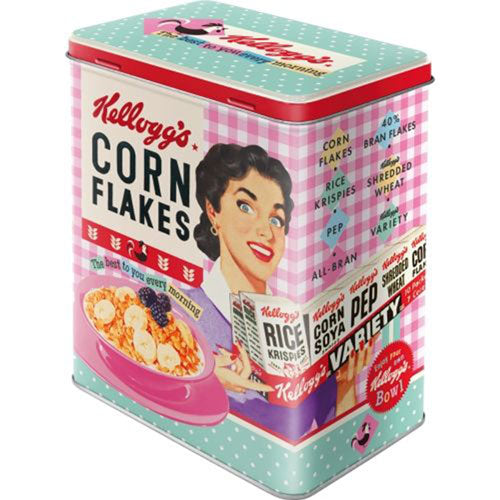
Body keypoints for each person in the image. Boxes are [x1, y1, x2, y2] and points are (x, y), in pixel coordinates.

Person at [184, 143, 372, 440]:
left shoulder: (301, 331)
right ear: (213, 211)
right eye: (246, 206)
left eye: (276, 219)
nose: (266, 231)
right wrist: (201, 374)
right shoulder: (183, 313)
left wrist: (346, 384)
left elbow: (338, 443)